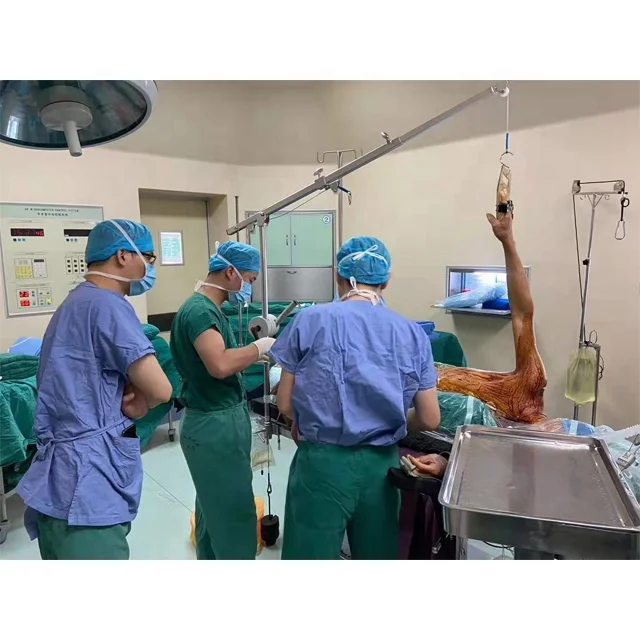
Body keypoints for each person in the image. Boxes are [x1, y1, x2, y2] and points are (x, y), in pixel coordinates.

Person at [270, 236, 441, 560]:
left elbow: (285, 404)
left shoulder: (309, 320)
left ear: (338, 276)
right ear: (385, 281)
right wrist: (389, 418)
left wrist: (310, 417)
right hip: (380, 469)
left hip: (320, 465)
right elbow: (430, 418)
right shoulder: (411, 333)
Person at [17, 219, 173, 560]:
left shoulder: (74, 302)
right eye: (148, 257)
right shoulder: (108, 305)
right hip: (88, 486)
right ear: (123, 256)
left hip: (59, 481)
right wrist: (141, 401)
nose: (150, 267)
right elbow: (161, 389)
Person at [170, 241, 275, 560]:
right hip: (214, 426)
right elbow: (219, 364)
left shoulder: (204, 309)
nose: (249, 288)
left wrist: (249, 353)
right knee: (233, 514)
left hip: (213, 419)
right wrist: (259, 348)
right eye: (250, 279)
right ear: (231, 272)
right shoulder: (200, 311)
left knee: (211, 508)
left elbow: (217, 357)